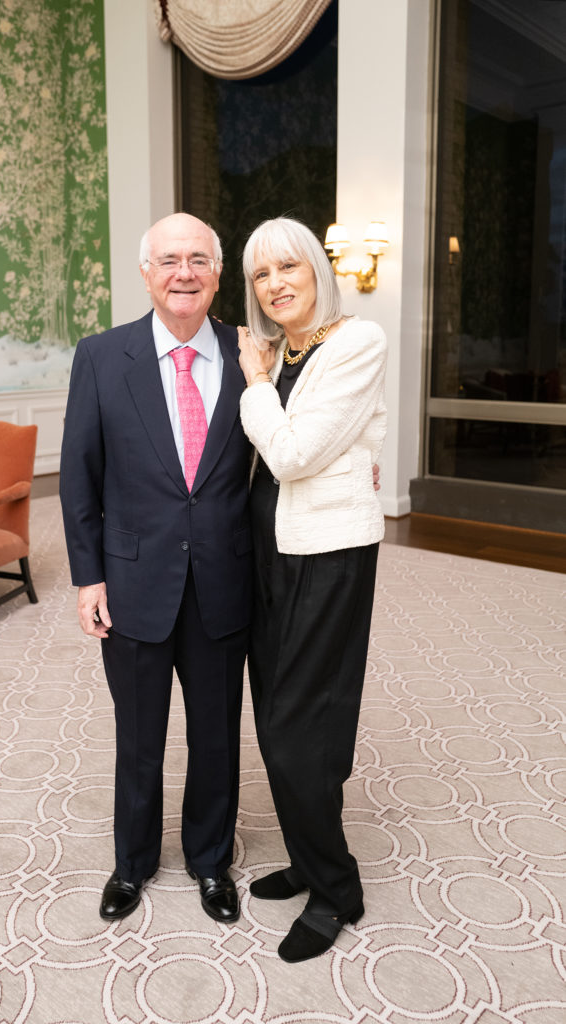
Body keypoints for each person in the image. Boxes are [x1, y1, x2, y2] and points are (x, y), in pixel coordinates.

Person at [59, 213, 253, 924]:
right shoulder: (102, 356)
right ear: (145, 272)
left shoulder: (248, 351)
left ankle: (210, 861)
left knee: (215, 735)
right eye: (169, 259)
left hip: (223, 584)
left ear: (216, 273)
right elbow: (80, 475)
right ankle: (131, 863)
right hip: (133, 582)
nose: (183, 272)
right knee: (138, 737)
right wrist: (88, 577)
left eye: (198, 259)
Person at [236, 216, 387, 963]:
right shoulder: (288, 350)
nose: (275, 285)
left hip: (326, 558)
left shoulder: (356, 342)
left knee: (304, 729)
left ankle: (336, 890)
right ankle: (305, 852)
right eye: (261, 274)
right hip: (270, 555)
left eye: (287, 267)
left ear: (318, 271)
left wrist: (257, 383)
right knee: (273, 718)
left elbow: (293, 454)